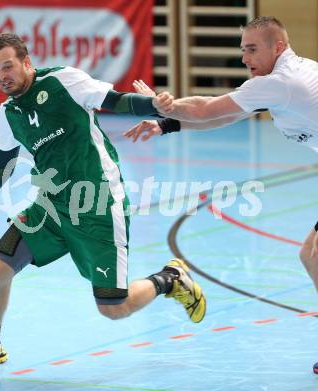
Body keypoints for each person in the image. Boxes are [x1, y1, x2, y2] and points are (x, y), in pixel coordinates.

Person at [0, 33, 206, 369]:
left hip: (99, 205)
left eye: (8, 66)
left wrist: (154, 105)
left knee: (113, 308)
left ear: (26, 63)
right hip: (50, 206)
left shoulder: (64, 80)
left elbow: (115, 100)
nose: (3, 75)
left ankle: (169, 279)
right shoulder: (8, 113)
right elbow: (1, 168)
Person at [124, 16, 318, 372]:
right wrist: (166, 124)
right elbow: (227, 117)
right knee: (312, 255)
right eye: (242, 50)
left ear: (279, 47)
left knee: (314, 254)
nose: (245, 58)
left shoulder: (281, 82)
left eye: (252, 49)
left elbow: (204, 108)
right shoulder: (281, 78)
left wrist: (162, 105)